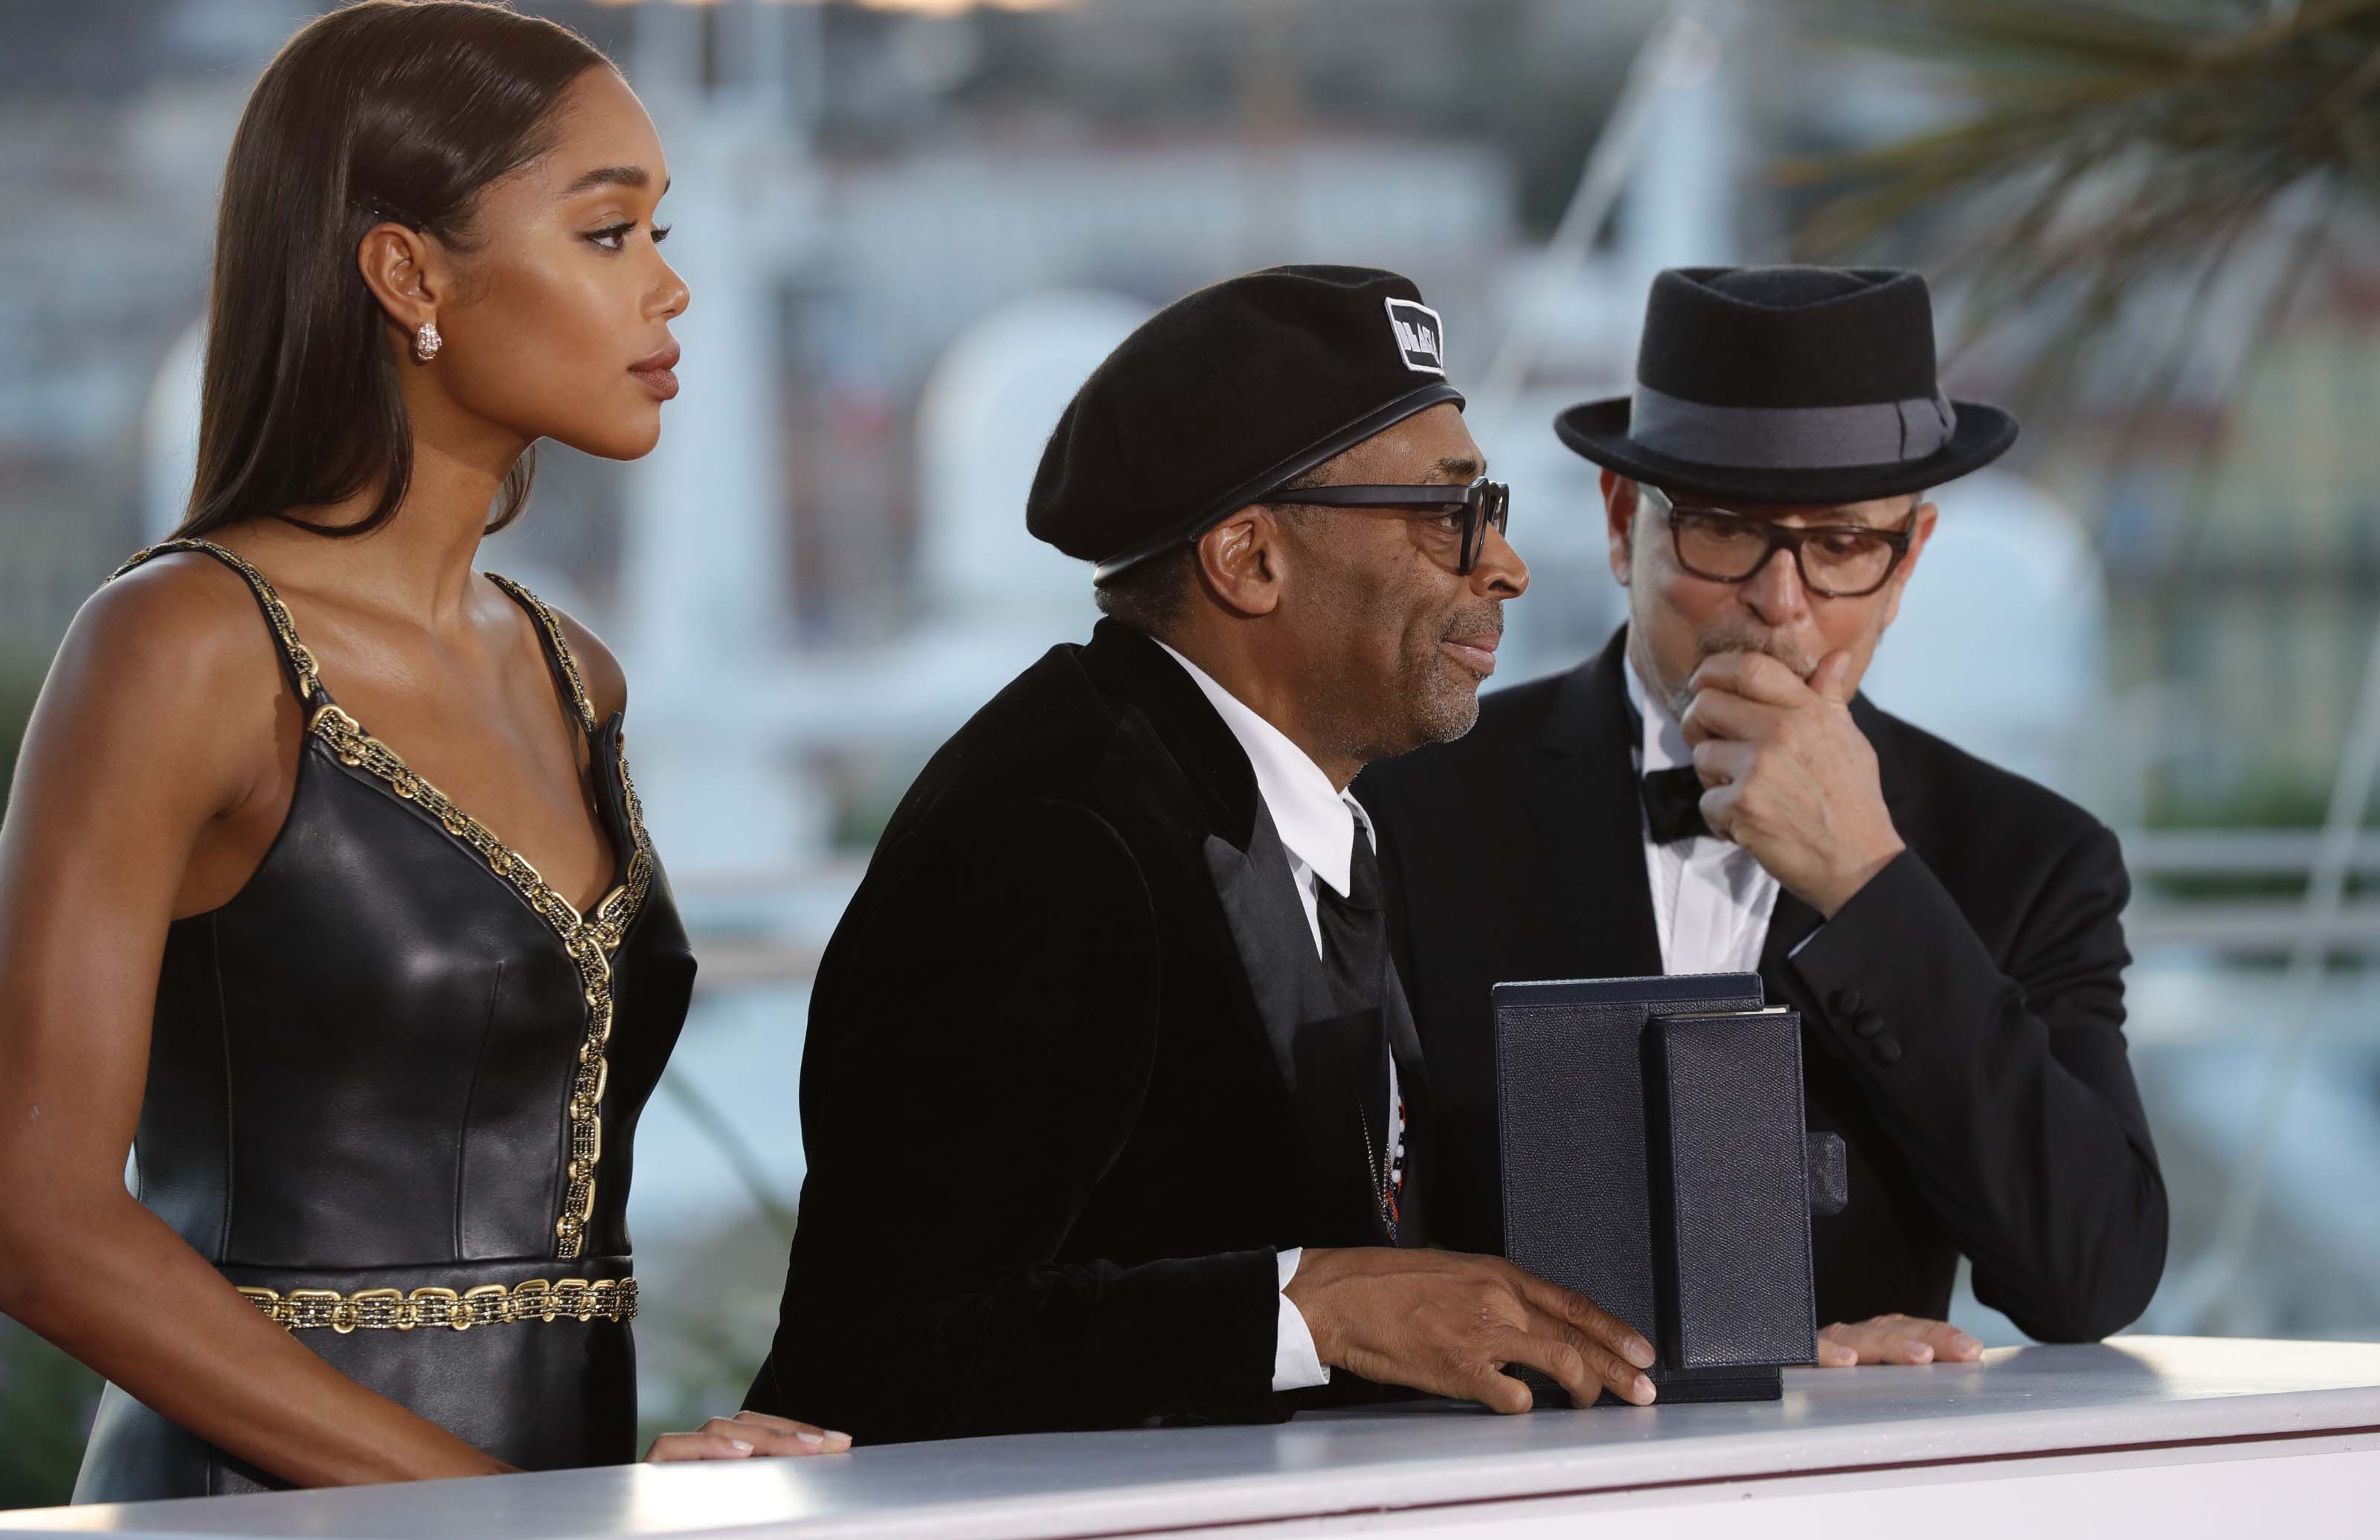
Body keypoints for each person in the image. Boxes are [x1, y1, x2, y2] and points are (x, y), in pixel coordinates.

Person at [0, 1, 840, 1501]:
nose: (671, 288)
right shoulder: (182, 647)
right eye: (607, 235)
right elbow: (35, 1216)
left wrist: (619, 1504)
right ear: (407, 271)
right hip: (250, 1536)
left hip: (536, 1526)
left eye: (659, 230)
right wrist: (484, 1513)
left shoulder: (573, 674)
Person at [746, 265, 1659, 1445]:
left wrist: (1759, 1342)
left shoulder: (1281, 803)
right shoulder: (1057, 835)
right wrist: (1303, 1310)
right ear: (1249, 559)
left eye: (1491, 508)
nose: (1504, 565)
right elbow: (871, 1355)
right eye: (1448, 513)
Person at [1360, 265, 2167, 1363]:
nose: (1781, 603)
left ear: (1909, 557)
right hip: (1501, 1505)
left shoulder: (2028, 856)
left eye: (1841, 545)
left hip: (1849, 1520)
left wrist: (1873, 884)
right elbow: (1333, 1250)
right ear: (1618, 523)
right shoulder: (1404, 806)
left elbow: (2093, 1270)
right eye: (1727, 533)